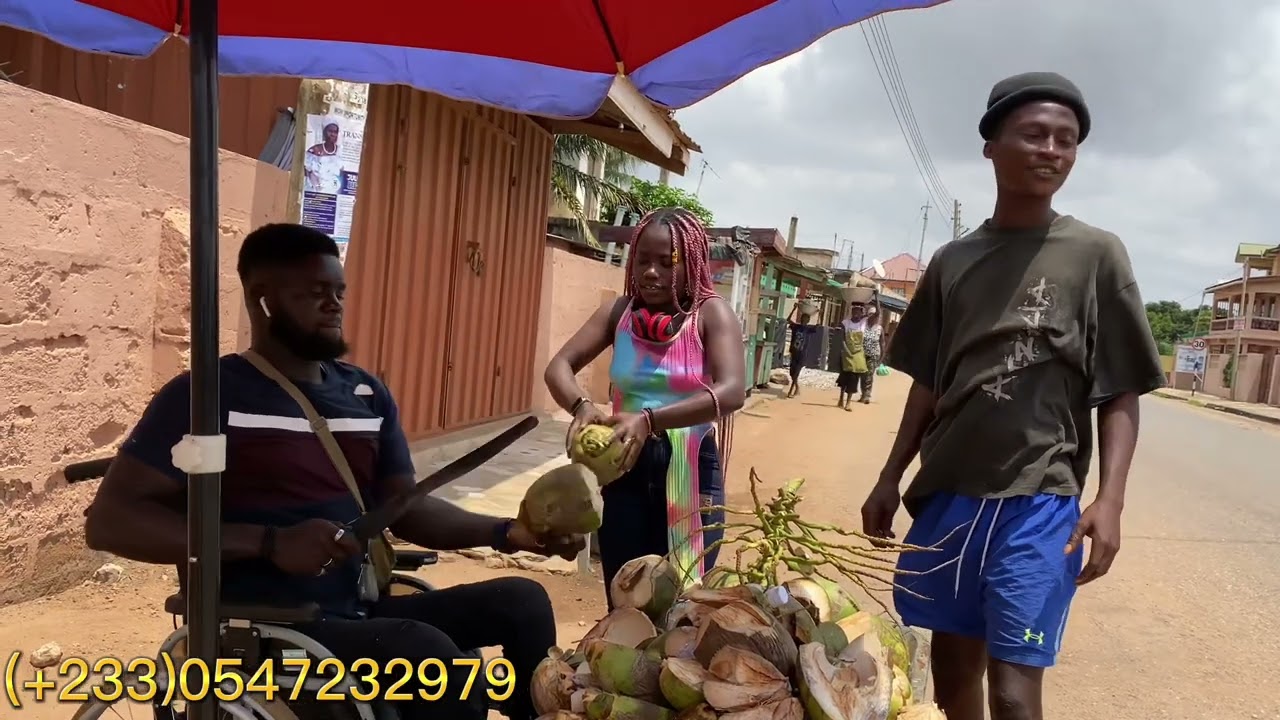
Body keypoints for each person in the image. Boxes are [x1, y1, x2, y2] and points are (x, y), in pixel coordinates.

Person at [83, 223, 584, 720]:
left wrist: (507, 532)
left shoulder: (365, 395)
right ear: (263, 299)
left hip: (355, 610)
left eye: (339, 291)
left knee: (523, 602)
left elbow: (406, 509)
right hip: (261, 626)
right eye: (316, 293)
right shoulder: (209, 396)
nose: (335, 304)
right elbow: (110, 522)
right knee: (430, 658)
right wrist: (268, 543)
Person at [860, 72, 1164, 720]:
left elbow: (1121, 391)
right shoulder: (951, 262)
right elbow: (929, 384)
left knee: (1015, 693)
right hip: (949, 496)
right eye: (1034, 135)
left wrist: (1109, 500)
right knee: (951, 674)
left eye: (1067, 139)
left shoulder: (1096, 256)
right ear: (991, 144)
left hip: (1041, 502)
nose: (1052, 150)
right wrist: (890, 477)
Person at [544, 207, 747, 599]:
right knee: (626, 593)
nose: (651, 272)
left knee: (686, 598)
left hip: (689, 469)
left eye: (667, 262)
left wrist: (650, 420)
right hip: (623, 467)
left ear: (691, 264)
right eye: (643, 260)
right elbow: (559, 368)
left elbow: (732, 391)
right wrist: (581, 407)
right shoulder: (618, 314)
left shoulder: (710, 315)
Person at [836, 302, 874, 410]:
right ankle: (841, 398)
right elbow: (842, 338)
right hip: (846, 354)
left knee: (854, 379)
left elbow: (876, 314)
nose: (855, 313)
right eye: (854, 311)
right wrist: (846, 349)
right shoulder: (846, 323)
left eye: (858, 311)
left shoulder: (863, 322)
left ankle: (848, 403)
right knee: (844, 378)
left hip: (857, 354)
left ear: (862, 312)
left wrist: (875, 297)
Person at [784, 303, 821, 398]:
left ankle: (791, 391)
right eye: (803, 319)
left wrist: (819, 314)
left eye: (806, 319)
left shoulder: (808, 329)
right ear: (801, 319)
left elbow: (818, 325)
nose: (804, 320)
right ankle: (797, 387)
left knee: (796, 373)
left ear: (808, 320)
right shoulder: (796, 327)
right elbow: (788, 320)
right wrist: (794, 308)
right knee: (792, 373)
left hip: (802, 354)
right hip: (794, 352)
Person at [853, 307, 884, 404]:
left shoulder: (880, 328)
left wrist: (882, 358)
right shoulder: (863, 325)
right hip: (861, 354)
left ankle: (866, 395)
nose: (874, 317)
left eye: (875, 315)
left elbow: (882, 343)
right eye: (871, 315)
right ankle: (863, 394)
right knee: (862, 375)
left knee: (869, 375)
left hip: (874, 355)